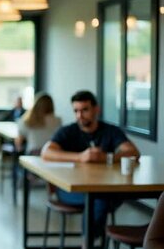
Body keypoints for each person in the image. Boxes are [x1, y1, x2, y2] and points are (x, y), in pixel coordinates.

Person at [41, 90, 140, 237]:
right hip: (70, 191)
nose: (80, 115)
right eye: (76, 111)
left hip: (106, 189)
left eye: (85, 110)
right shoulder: (68, 131)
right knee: (99, 198)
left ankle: (88, 248)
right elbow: (46, 152)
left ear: (96, 109)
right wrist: (80, 157)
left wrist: (106, 157)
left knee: (100, 197)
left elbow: (133, 152)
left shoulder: (110, 131)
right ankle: (89, 247)